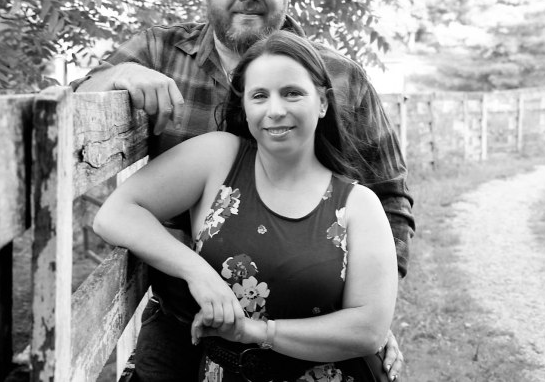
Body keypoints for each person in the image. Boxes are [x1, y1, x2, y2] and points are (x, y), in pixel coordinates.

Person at [74, 0, 413, 380]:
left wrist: (370, 308)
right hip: (182, 306)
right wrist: (120, 75)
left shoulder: (340, 77)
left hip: (307, 315)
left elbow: (390, 197)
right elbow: (72, 112)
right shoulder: (159, 54)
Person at [93, 30, 399, 381]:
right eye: (259, 96)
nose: (275, 110)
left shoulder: (360, 205)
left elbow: (369, 330)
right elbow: (114, 214)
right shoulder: (218, 158)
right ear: (245, 106)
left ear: (324, 103)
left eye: (292, 93)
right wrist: (197, 272)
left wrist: (255, 332)